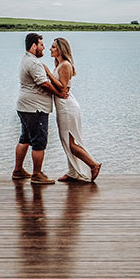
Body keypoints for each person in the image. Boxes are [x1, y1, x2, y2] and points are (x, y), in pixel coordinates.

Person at [44, 37, 102, 182]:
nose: (50, 49)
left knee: (71, 142)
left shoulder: (65, 65)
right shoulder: (58, 63)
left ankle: (93, 165)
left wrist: (48, 73)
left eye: (53, 47)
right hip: (62, 106)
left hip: (67, 107)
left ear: (60, 49)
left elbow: (63, 88)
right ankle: (73, 172)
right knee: (66, 140)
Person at [13, 32, 66, 184]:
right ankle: (37, 175)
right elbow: (43, 83)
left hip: (24, 106)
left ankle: (18, 171)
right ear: (34, 46)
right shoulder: (34, 63)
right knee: (39, 142)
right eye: (41, 45)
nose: (44, 48)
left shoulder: (26, 60)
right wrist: (59, 93)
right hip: (35, 108)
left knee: (25, 138)